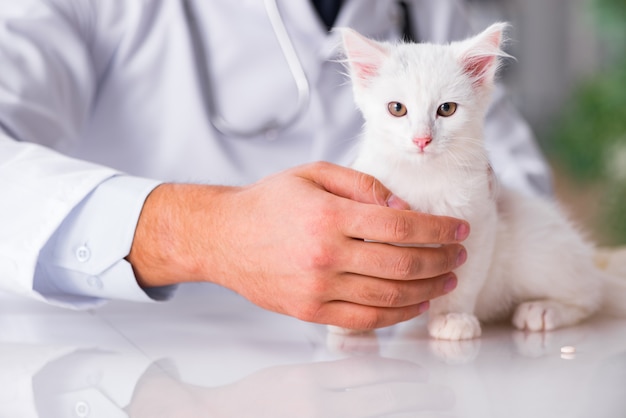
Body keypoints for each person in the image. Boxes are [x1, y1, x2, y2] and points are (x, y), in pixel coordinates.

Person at [0, 0, 551, 330]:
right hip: (122, 364)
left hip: (379, 377)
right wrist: (199, 233)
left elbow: (510, 173)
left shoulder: (421, 11)